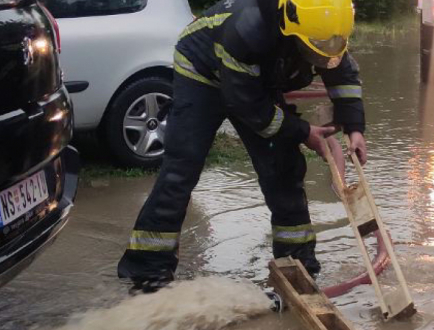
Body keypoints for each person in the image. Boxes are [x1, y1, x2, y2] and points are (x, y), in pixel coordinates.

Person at [117, 0, 365, 293]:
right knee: (182, 168)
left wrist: (355, 129)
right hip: (202, 72)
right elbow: (249, 107)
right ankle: (148, 269)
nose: (319, 56)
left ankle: (296, 263)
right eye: (313, 48)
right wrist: (303, 132)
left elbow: (341, 74)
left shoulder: (323, 28)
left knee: (283, 168)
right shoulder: (248, 31)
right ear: (289, 26)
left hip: (253, 79)